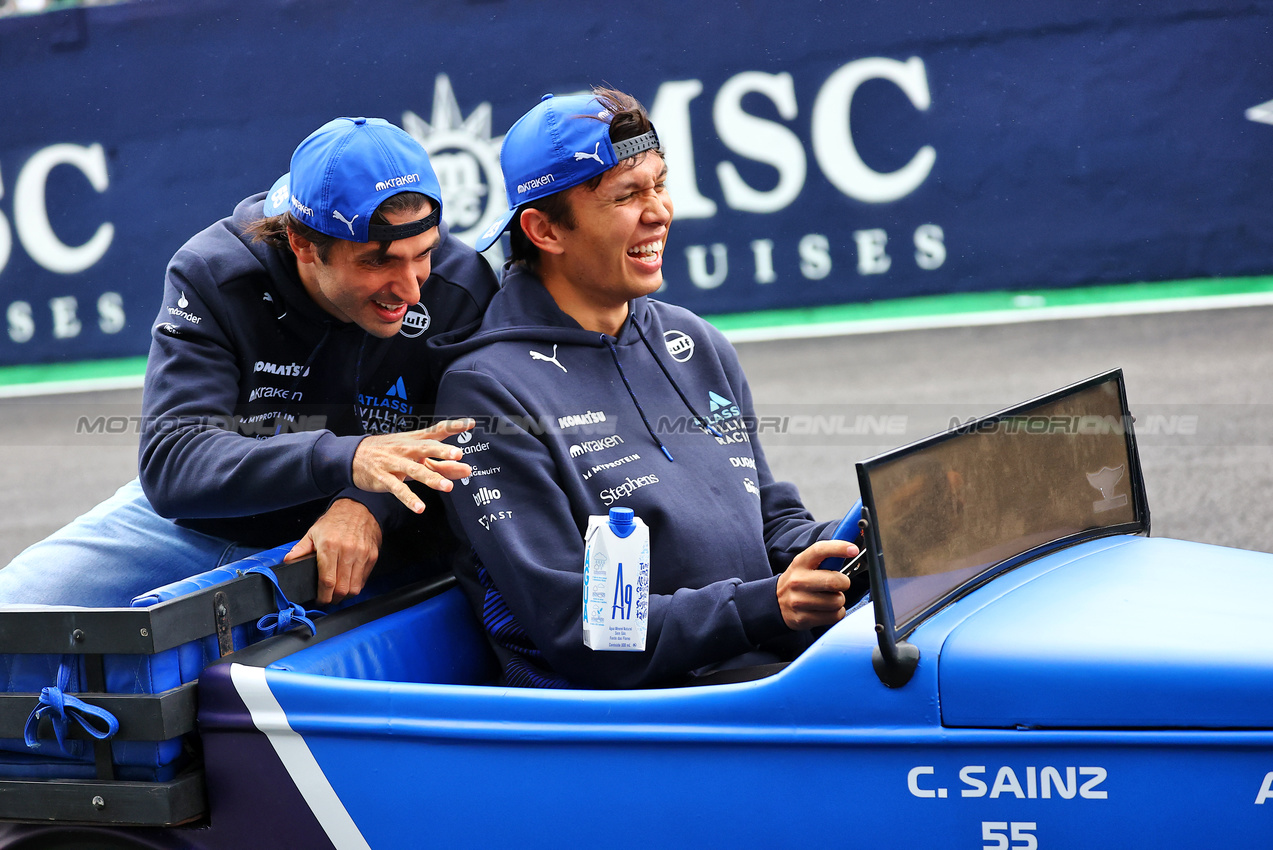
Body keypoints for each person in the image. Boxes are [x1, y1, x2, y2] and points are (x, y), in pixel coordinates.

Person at [433, 89, 856, 689]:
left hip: (769, 680)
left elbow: (770, 523)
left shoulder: (695, 340)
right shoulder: (485, 393)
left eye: (659, 185)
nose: (659, 212)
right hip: (638, 723)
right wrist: (768, 605)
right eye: (626, 195)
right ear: (544, 230)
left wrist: (849, 545)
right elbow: (581, 631)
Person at [0, 117, 498, 607]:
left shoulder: (458, 284)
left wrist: (366, 502)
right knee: (15, 609)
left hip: (378, 532)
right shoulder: (213, 273)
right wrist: (347, 458)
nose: (411, 288)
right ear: (302, 242)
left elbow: (474, 438)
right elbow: (173, 461)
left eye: (423, 253)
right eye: (378, 260)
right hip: (204, 526)